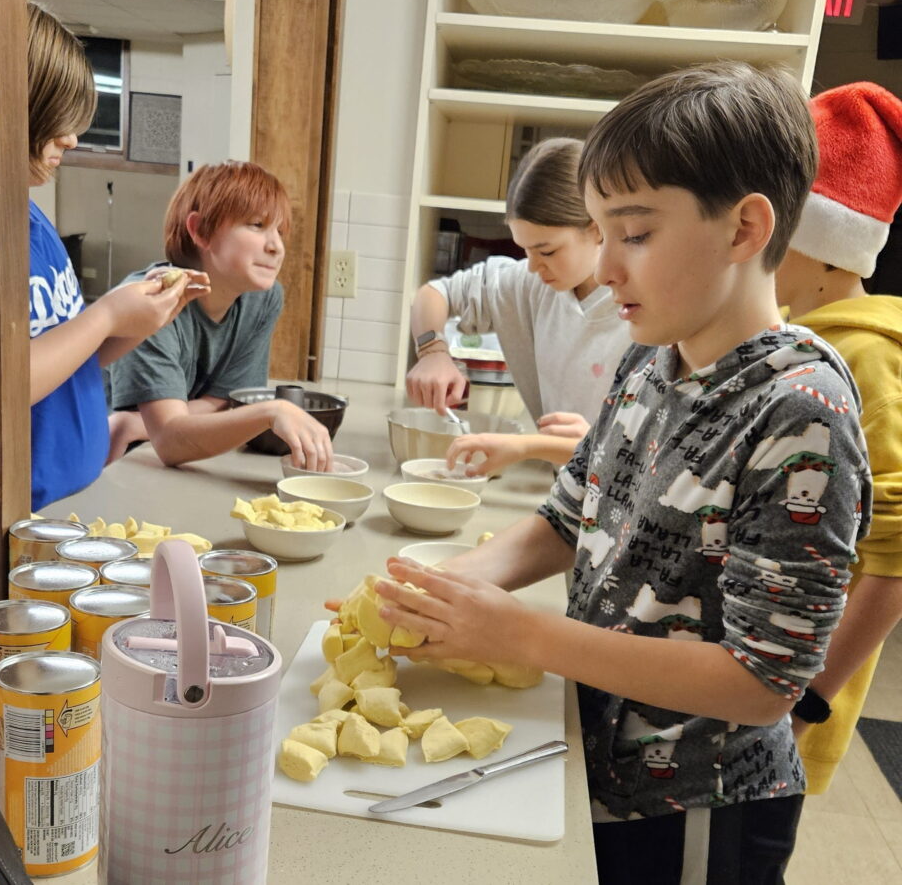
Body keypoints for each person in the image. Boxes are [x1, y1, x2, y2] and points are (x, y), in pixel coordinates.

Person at [373, 63, 872, 884]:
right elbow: (567, 517)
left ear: (746, 228)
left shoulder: (801, 409)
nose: (605, 268)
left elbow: (762, 684)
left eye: (633, 234)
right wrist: (438, 588)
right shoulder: (649, 361)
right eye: (601, 234)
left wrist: (521, 632)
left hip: (702, 804)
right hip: (606, 764)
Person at [27, 2, 208, 511]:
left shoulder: (34, 219)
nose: (71, 138)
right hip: (31, 503)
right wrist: (108, 313)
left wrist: (141, 319)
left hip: (77, 492)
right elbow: (10, 382)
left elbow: (71, 357)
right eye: (56, 120)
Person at [774, 82, 902, 795]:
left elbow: (895, 564)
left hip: (794, 700)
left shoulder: (870, 360)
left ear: (826, 249)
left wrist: (808, 703)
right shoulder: (794, 339)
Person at [406, 137, 630, 475]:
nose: (533, 266)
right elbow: (434, 294)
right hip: (563, 488)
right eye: (525, 250)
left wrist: (526, 447)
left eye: (547, 251)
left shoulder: (643, 309)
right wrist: (432, 351)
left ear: (598, 229)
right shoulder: (529, 285)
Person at [104, 161, 334, 472]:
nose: (276, 246)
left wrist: (138, 424)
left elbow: (226, 402)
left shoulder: (263, 298)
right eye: (257, 225)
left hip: (158, 458)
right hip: (113, 467)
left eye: (280, 231)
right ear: (200, 231)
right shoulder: (151, 299)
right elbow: (171, 443)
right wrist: (271, 411)